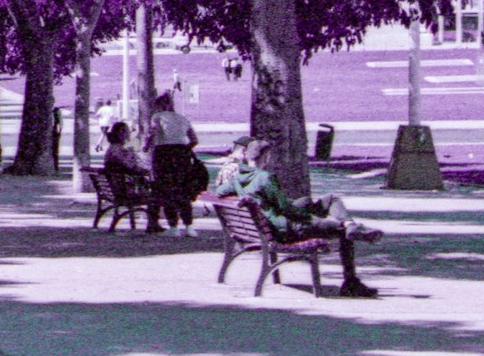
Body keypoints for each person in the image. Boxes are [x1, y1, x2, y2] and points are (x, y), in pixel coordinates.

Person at [214, 136, 382, 298]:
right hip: (285, 230)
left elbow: (219, 192)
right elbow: (286, 208)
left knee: (327, 199)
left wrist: (246, 195)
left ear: (246, 156)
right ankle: (351, 280)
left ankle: (352, 225)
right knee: (341, 230)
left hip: (268, 227)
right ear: (266, 157)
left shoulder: (238, 178)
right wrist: (309, 218)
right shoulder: (264, 177)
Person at [146, 91, 202, 234]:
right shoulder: (182, 118)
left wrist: (146, 146)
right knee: (182, 189)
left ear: (160, 105)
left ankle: (173, 226)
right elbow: (194, 140)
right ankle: (189, 225)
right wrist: (184, 150)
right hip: (182, 153)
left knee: (166, 190)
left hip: (163, 153)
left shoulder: (157, 117)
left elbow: (152, 134)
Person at [102, 123, 151, 196]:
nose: (129, 133)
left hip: (118, 186)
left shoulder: (113, 147)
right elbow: (130, 165)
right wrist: (131, 154)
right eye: (128, 131)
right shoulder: (117, 149)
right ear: (122, 133)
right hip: (123, 189)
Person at [51, 106, 64, 172]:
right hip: (52, 132)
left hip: (54, 132)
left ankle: (55, 166)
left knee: (55, 150)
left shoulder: (57, 111)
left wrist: (59, 132)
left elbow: (61, 123)